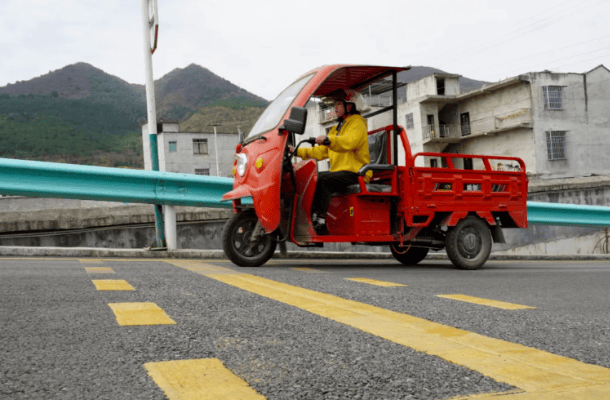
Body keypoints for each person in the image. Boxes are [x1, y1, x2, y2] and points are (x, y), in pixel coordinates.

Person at [290, 89, 372, 235]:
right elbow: (320, 153)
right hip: (341, 172)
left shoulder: (358, 123)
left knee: (322, 180)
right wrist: (296, 151)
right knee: (311, 178)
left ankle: (320, 221)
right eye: (335, 104)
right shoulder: (336, 129)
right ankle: (307, 216)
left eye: (339, 104)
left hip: (356, 172)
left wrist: (328, 140)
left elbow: (349, 142)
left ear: (350, 105)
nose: (335, 107)